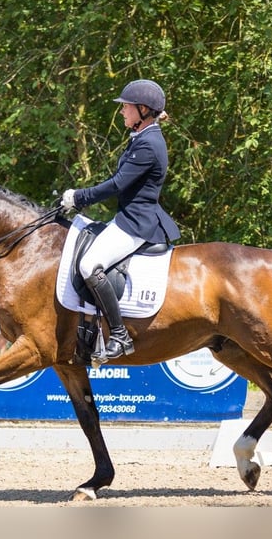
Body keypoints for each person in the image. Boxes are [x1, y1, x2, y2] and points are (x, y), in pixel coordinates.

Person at [61, 79, 180, 365]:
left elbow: (117, 184)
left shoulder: (149, 144)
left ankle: (119, 335)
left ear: (143, 110)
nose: (122, 112)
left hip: (137, 222)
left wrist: (80, 197)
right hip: (130, 216)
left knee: (89, 265)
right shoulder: (143, 135)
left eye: (126, 107)